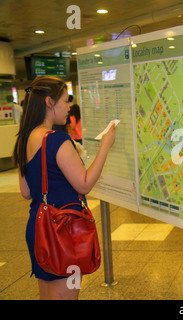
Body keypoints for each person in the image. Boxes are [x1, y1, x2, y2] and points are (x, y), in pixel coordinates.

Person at [13, 76, 116, 300]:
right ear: (49, 102)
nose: (69, 106)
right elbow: (85, 183)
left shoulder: (24, 140)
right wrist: (105, 146)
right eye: (65, 100)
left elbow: (26, 192)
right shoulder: (57, 140)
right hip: (65, 232)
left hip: (39, 229)